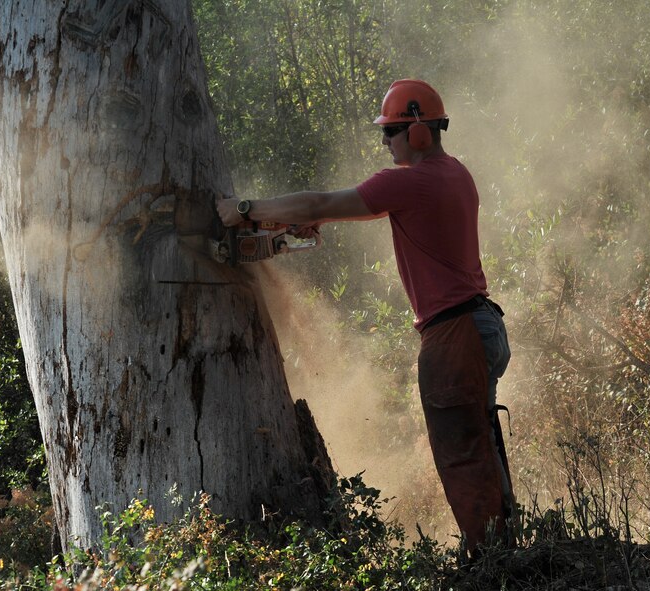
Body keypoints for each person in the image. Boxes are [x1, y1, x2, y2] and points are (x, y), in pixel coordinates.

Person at [217, 79, 514, 554]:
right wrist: (310, 219)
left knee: (463, 457)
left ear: (418, 132)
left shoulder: (409, 180)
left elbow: (318, 202)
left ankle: (493, 562)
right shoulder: (455, 173)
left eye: (390, 132)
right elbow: (337, 212)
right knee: (481, 446)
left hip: (455, 334)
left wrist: (245, 211)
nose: (384, 142)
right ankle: (509, 549)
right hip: (483, 325)